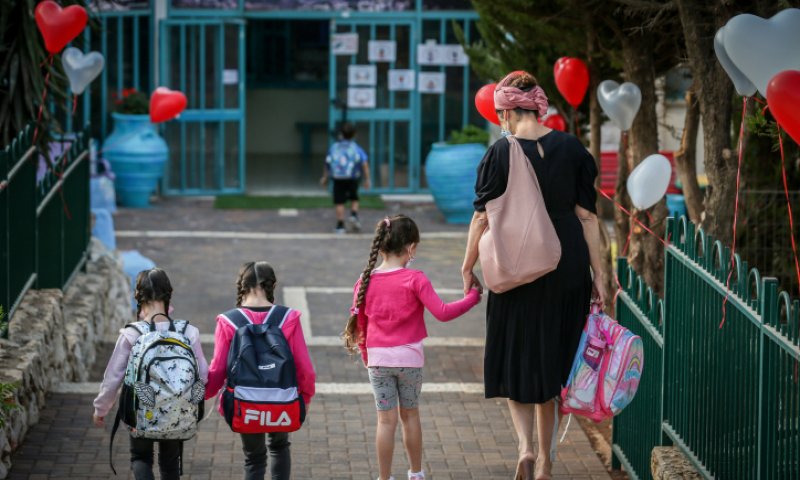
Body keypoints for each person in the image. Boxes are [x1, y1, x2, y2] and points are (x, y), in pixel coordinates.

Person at [460, 71, 607, 480]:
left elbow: (479, 217)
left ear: (506, 111)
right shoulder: (573, 148)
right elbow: (588, 217)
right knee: (555, 358)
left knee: (515, 354)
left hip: (515, 265)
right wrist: (599, 274)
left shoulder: (499, 153)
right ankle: (545, 459)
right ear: (538, 104)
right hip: (567, 264)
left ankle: (523, 448)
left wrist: (467, 264)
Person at [343, 214, 482, 480]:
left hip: (378, 361)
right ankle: (416, 473)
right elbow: (442, 312)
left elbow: (361, 327)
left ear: (380, 246)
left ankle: (384, 477)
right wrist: (473, 297)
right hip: (410, 360)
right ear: (411, 248)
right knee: (410, 416)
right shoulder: (415, 279)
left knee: (385, 421)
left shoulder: (365, 281)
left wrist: (367, 356)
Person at [92, 268, 209, 480]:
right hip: (176, 412)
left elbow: (113, 378)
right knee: (170, 463)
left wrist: (101, 409)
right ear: (168, 294)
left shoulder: (132, 333)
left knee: (140, 458)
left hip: (140, 414)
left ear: (138, 296)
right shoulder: (187, 332)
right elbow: (202, 373)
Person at [205, 261, 316, 480]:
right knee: (279, 447)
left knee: (253, 457)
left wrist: (203, 395)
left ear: (242, 286)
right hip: (283, 398)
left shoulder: (228, 321)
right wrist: (304, 398)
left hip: (245, 402)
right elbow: (305, 368)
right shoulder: (288, 318)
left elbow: (218, 369)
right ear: (271, 285)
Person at [320, 122, 371, 234]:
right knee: (354, 197)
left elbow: (327, 163)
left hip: (338, 178)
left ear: (341, 134)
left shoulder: (334, 147)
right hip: (352, 177)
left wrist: (324, 177)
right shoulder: (356, 148)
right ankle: (353, 214)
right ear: (354, 135)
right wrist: (367, 179)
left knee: (339, 201)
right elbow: (364, 164)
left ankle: (340, 225)